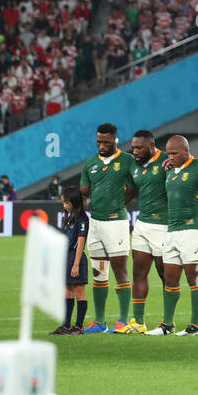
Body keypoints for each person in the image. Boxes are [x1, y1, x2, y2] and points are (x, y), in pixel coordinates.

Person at [146, 135, 198, 336]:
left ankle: (195, 325)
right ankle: (167, 325)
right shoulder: (170, 171)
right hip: (172, 230)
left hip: (194, 229)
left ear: (185, 151)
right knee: (170, 277)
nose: (170, 156)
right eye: (168, 153)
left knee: (194, 276)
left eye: (174, 153)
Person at [78, 123, 133, 333]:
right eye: (99, 141)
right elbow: (84, 192)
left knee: (120, 270)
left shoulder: (127, 161)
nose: (101, 145)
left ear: (115, 140)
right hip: (96, 223)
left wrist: (118, 203)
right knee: (99, 272)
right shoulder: (90, 163)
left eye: (106, 142)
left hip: (116, 222)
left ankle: (123, 320)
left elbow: (134, 188)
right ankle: (100, 321)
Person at [123, 129, 167, 333]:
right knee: (139, 272)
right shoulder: (135, 165)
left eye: (139, 147)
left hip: (164, 226)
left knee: (165, 274)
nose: (135, 151)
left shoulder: (168, 161)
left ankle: (168, 322)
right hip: (142, 225)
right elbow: (130, 191)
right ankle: (138, 322)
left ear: (151, 146)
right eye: (133, 148)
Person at [52, 185, 90, 334]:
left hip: (76, 257)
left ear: (74, 201)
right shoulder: (69, 217)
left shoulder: (82, 218)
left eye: (67, 202)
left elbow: (81, 242)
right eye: (63, 203)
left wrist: (76, 264)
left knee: (80, 293)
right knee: (67, 292)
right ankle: (66, 325)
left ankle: (79, 326)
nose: (65, 205)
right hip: (67, 256)